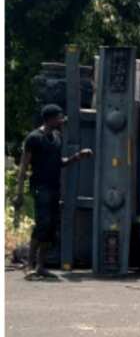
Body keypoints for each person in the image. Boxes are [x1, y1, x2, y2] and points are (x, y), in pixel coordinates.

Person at [12, 104, 94, 277]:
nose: (62, 119)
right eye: (59, 117)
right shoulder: (34, 138)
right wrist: (18, 192)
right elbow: (24, 166)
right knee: (42, 224)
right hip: (40, 187)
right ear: (49, 119)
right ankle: (29, 265)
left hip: (54, 186)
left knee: (50, 227)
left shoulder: (57, 137)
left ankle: (41, 266)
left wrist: (77, 157)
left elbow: (60, 162)